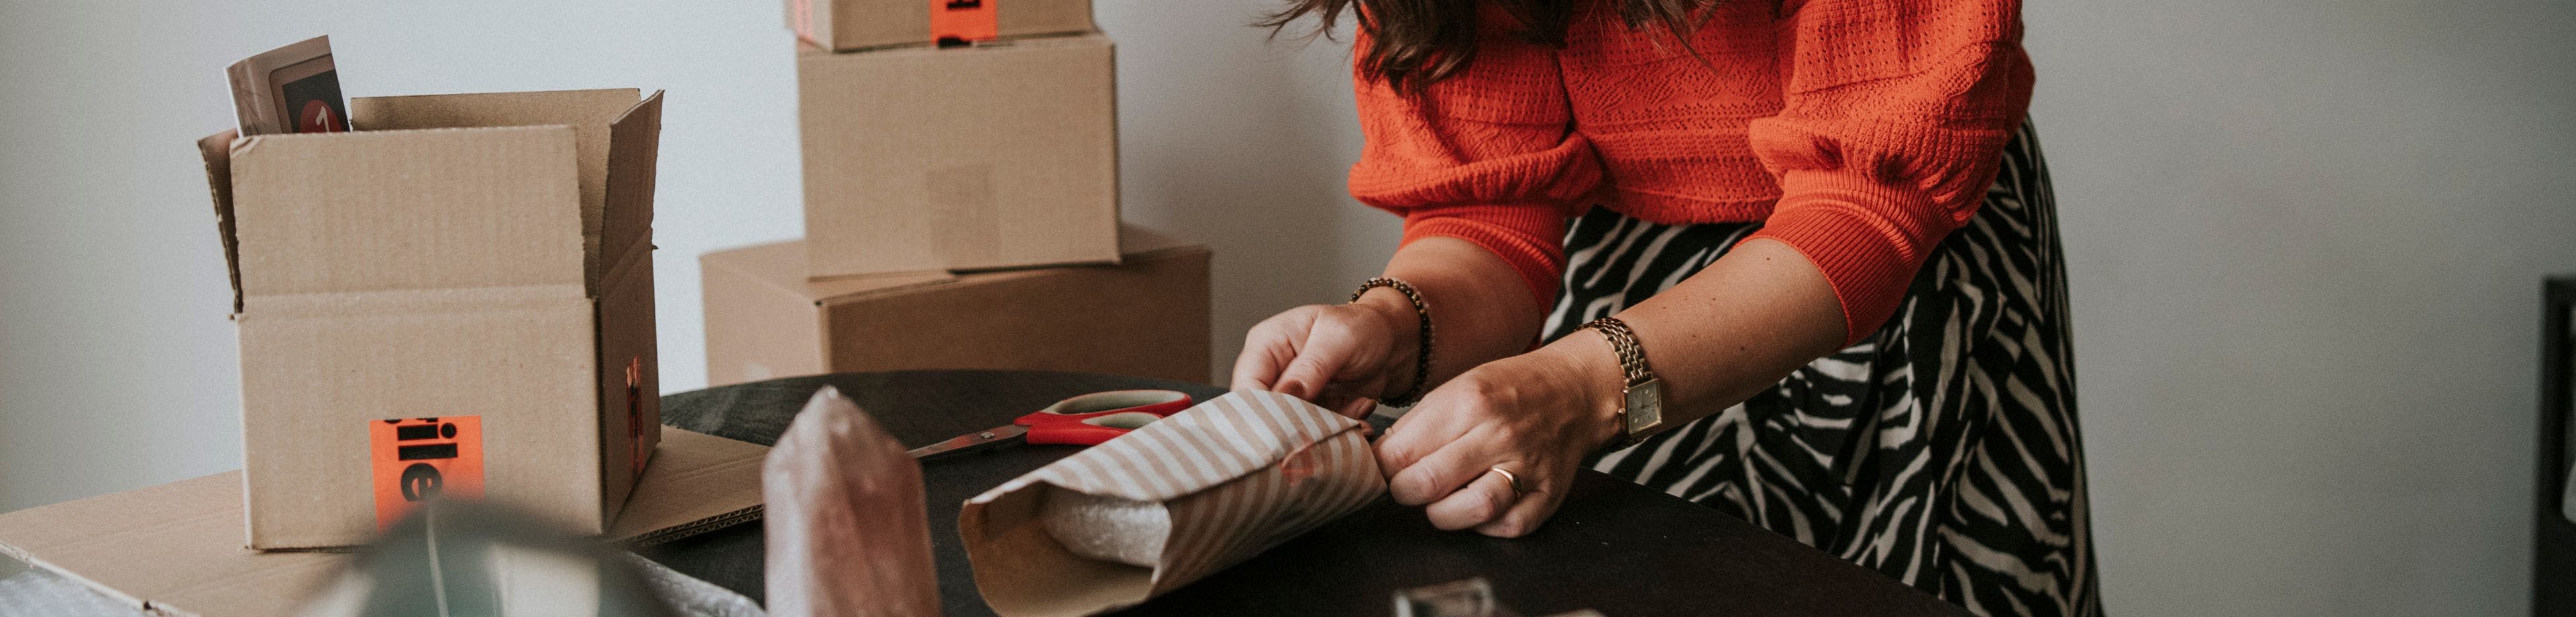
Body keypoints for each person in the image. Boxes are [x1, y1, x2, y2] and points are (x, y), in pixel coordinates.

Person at [1234, 1, 2100, 615]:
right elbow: (1490, 210)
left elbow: (1863, 211)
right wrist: (1396, 323)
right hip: (1624, 289)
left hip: (1890, 281)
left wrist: (1580, 388)